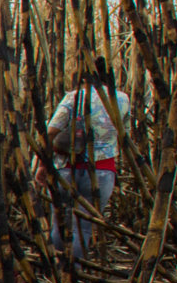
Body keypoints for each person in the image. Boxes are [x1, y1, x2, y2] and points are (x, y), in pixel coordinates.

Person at [43, 62, 131, 262]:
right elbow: (125, 135)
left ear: (83, 78)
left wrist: (42, 164)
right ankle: (76, 274)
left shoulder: (74, 97)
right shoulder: (122, 99)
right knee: (83, 228)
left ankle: (58, 273)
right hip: (103, 172)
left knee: (58, 223)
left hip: (66, 168)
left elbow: (50, 132)